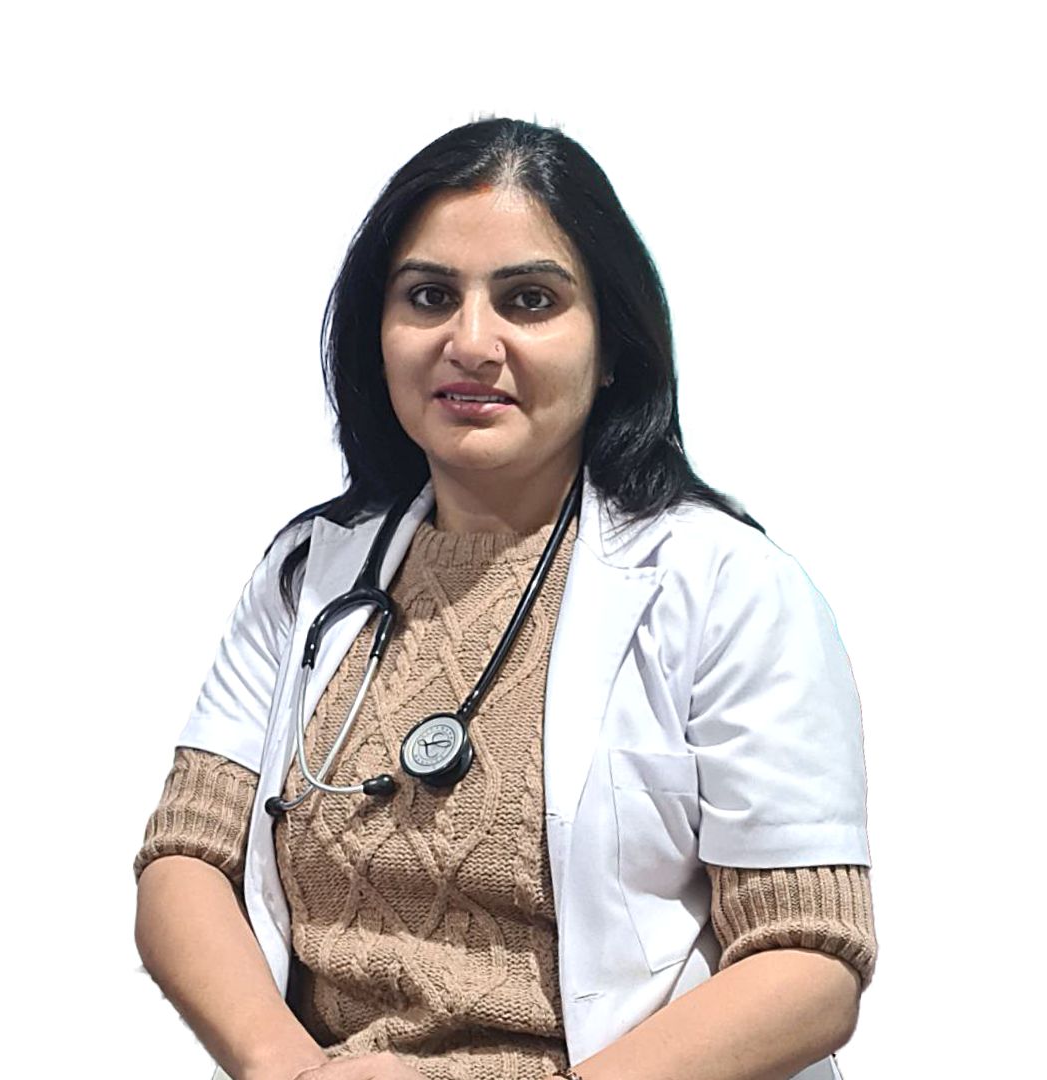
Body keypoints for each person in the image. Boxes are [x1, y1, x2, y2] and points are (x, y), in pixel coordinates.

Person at [134, 117, 876, 1080]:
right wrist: (291, 1071)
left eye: (530, 300)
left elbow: (809, 960)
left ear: (612, 345)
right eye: (429, 297)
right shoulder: (308, 571)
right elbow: (188, 858)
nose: (470, 342)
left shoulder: (730, 588)